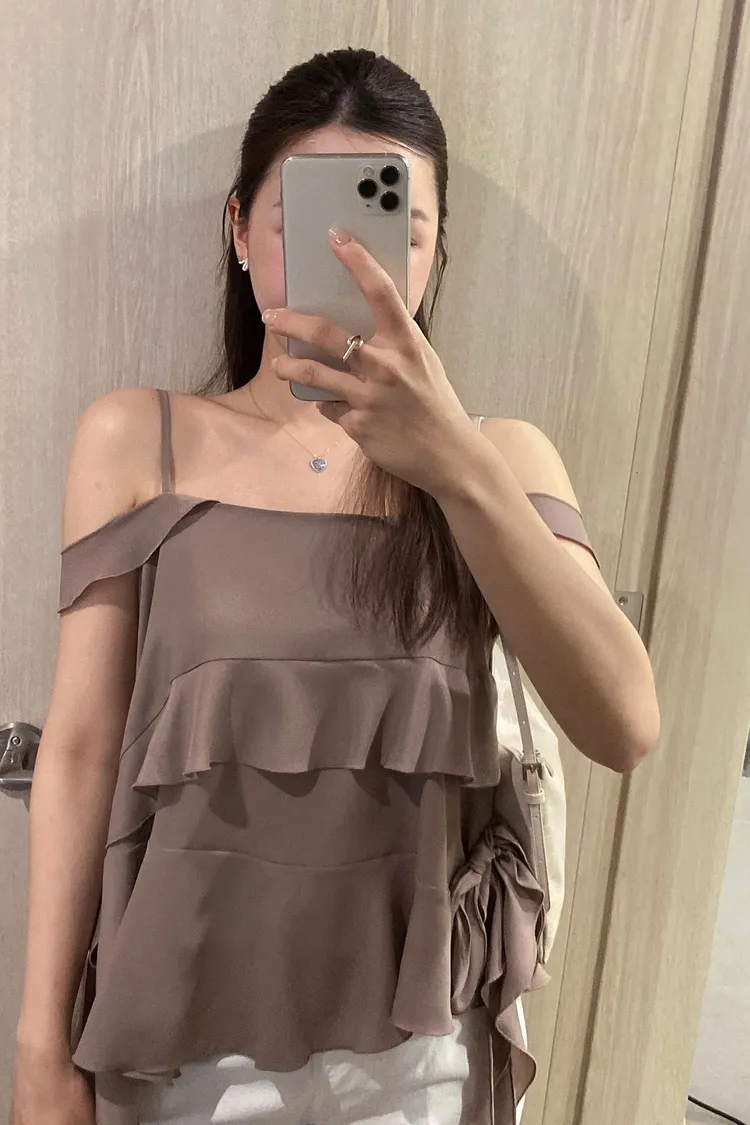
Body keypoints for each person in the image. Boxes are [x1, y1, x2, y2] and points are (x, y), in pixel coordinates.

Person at [11, 48, 660, 1125]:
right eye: (307, 222)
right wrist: (41, 1047)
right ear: (237, 230)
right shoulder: (138, 440)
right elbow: (80, 748)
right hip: (186, 1053)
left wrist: (453, 465)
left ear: (437, 250)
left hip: (418, 1057)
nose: (352, 259)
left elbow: (624, 723)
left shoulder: (503, 459)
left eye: (395, 227)